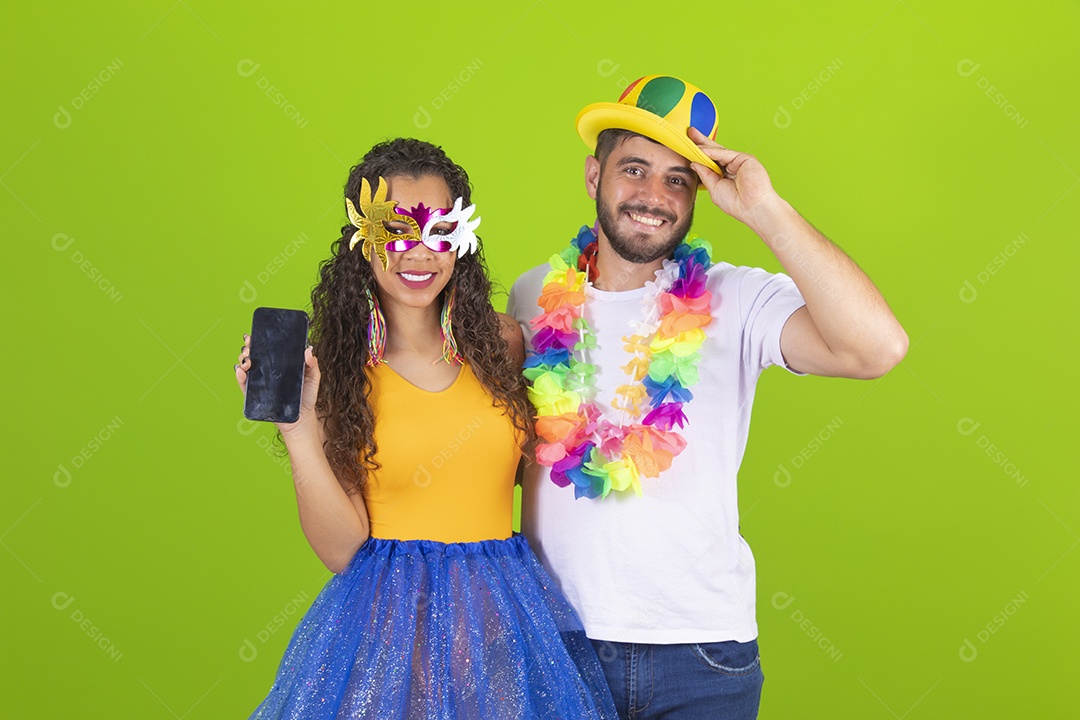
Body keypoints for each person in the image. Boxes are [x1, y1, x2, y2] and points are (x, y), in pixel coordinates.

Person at [507, 75, 908, 719]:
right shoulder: (532, 296)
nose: (653, 196)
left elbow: (877, 348)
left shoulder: (738, 297)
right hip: (555, 644)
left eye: (677, 179)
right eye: (634, 168)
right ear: (593, 175)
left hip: (701, 657)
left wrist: (764, 209)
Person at [235, 138, 617, 719]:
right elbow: (344, 550)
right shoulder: (337, 373)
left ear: (461, 240)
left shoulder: (503, 345)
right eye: (397, 231)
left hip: (504, 623)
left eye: (439, 230)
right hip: (389, 635)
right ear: (363, 241)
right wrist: (298, 428)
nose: (419, 252)